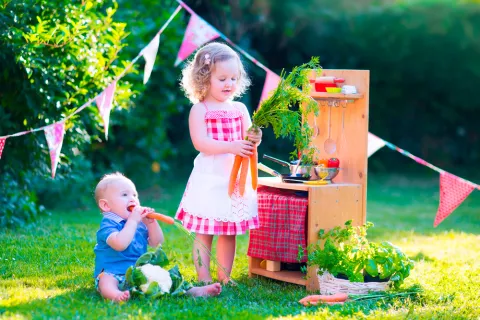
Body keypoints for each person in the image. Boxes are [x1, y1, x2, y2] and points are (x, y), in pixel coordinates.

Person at [176, 42, 262, 284]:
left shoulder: (240, 108)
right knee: (204, 233)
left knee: (229, 232)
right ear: (204, 79)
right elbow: (200, 143)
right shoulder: (200, 110)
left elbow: (249, 140)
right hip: (210, 179)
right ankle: (204, 277)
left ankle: (225, 277)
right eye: (222, 78)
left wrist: (255, 138)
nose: (229, 84)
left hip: (234, 181)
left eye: (233, 78)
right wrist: (231, 147)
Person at [93, 172, 222, 302]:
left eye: (134, 195)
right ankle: (115, 295)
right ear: (106, 205)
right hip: (112, 272)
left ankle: (192, 290)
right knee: (105, 280)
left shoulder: (138, 222)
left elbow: (157, 243)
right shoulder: (108, 225)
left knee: (166, 276)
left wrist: (151, 223)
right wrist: (133, 221)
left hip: (137, 273)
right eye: (124, 195)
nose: (132, 199)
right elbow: (120, 244)